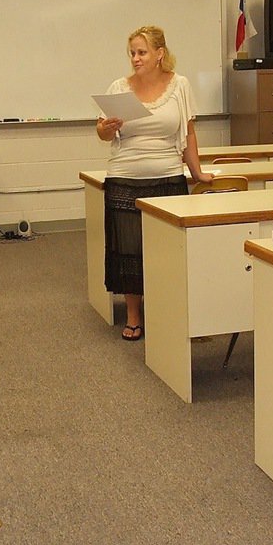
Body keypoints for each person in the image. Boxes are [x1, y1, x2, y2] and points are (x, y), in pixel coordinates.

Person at [95, 25, 212, 341]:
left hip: (167, 177)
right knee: (131, 251)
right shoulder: (119, 87)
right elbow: (103, 134)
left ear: (160, 54)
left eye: (142, 52)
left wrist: (197, 173)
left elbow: (187, 133)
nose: (135, 58)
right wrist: (107, 128)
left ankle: (169, 313)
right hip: (125, 178)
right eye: (132, 52)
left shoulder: (180, 85)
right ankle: (134, 316)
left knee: (168, 252)